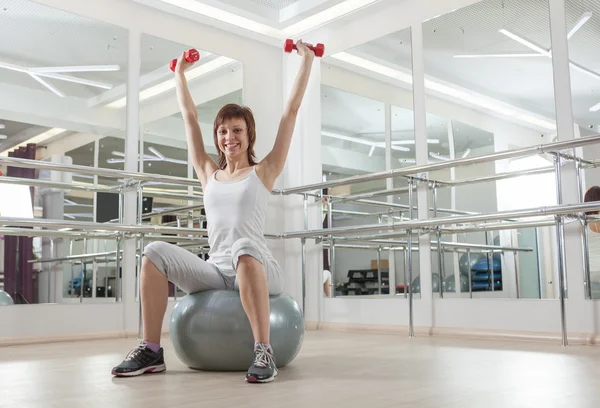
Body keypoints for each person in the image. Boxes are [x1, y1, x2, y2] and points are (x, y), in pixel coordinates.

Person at [111, 41, 316, 383]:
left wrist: (306, 61)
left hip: (259, 264)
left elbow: (290, 112)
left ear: (249, 135)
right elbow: (189, 118)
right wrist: (179, 75)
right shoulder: (208, 173)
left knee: (243, 247)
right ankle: (150, 349)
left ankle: (264, 351)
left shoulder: (263, 171)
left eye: (237, 130)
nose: (229, 137)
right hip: (217, 269)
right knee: (153, 253)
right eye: (223, 131)